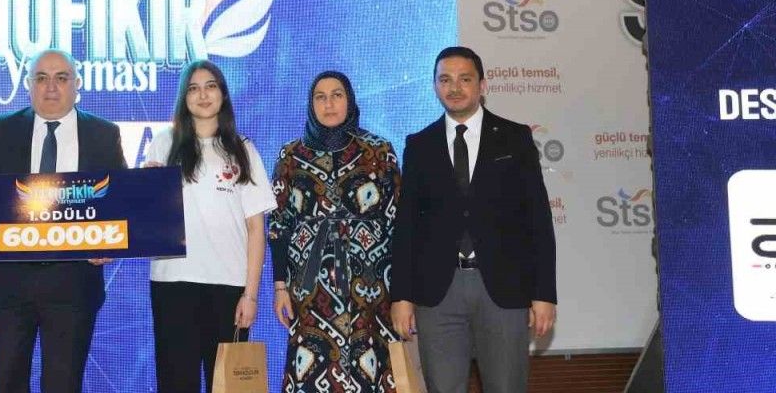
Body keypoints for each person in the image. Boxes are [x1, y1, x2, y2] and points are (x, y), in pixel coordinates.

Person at [390, 47, 556, 393]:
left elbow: (538, 220)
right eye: (445, 80)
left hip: (503, 289)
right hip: (438, 293)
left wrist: (544, 294)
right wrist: (401, 296)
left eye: (464, 79)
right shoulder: (419, 145)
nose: (454, 88)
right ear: (435, 86)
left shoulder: (515, 138)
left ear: (482, 85)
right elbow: (407, 227)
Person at [0, 49, 126, 393]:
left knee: (63, 384)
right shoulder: (4, 129)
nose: (51, 87)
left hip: (74, 283)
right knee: (7, 383)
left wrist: (110, 245)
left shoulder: (103, 133)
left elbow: (118, 204)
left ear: (77, 84)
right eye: (41, 78)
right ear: (28, 85)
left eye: (61, 78)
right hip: (10, 284)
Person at [144, 60, 275, 393]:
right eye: (193, 88)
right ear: (184, 98)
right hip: (173, 283)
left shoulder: (243, 150)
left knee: (229, 387)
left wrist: (250, 295)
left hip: (228, 287)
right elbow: (148, 220)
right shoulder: (163, 144)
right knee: (176, 384)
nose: (202, 95)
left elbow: (256, 230)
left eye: (210, 86)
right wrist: (145, 190)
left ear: (223, 94)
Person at [268, 70, 401, 393]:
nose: (328, 104)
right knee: (314, 363)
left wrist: (400, 292)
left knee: (369, 365)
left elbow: (397, 222)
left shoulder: (378, 151)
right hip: (310, 286)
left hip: (369, 285)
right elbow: (278, 226)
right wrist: (280, 286)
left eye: (337, 95)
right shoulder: (291, 155)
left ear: (350, 101)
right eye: (320, 97)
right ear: (311, 104)